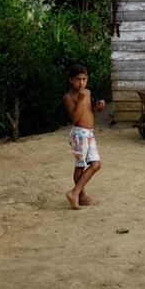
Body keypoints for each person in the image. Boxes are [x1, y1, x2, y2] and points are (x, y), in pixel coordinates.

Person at [63, 64, 106, 209]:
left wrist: (97, 107)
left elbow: (88, 112)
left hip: (89, 133)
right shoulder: (69, 97)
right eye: (77, 79)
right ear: (70, 80)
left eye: (84, 79)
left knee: (96, 164)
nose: (81, 83)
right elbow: (75, 119)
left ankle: (76, 193)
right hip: (79, 134)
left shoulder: (87, 92)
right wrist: (80, 100)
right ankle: (78, 195)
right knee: (80, 167)